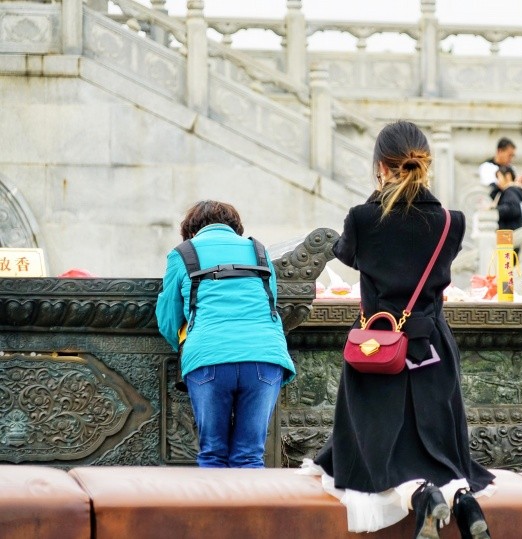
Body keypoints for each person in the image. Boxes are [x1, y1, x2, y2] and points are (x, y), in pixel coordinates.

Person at [306, 120, 495, 539]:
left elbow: (347, 255)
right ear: (425, 166)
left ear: (380, 167)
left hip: (378, 344)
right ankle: (465, 501)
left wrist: (382, 193)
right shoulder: (451, 222)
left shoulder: (362, 219)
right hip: (432, 345)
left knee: (372, 439)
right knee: (438, 440)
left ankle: (423, 496)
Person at [156, 200, 296, 468]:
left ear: (190, 230)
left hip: (209, 358)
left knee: (212, 453)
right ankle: (252, 511)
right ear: (235, 228)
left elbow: (168, 318)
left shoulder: (183, 254)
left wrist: (190, 344)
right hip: (265, 356)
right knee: (250, 454)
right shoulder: (259, 251)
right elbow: (271, 304)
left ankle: (216, 511)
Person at [479, 138, 522, 250]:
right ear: (499, 151)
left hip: (509, 230)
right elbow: (491, 188)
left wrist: (495, 210)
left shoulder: (510, 191)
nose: (511, 159)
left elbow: (512, 208)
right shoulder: (487, 167)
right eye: (509, 155)